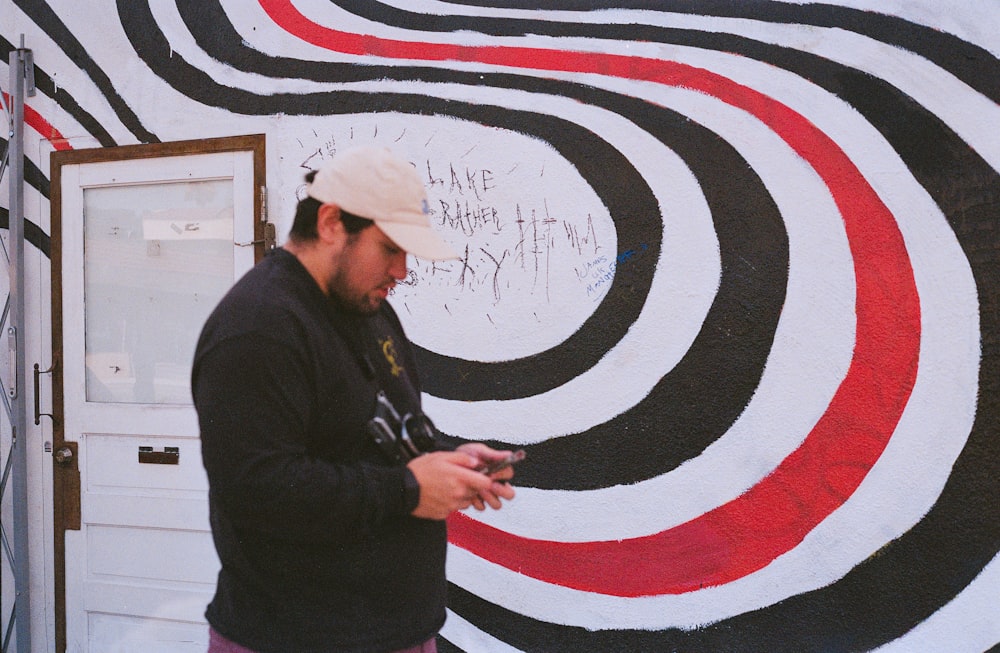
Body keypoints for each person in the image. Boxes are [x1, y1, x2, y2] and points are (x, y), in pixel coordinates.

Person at [192, 145, 517, 653]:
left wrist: (447, 463)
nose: (402, 270)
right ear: (330, 223)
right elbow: (257, 490)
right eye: (390, 248)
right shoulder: (258, 327)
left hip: (396, 632)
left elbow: (382, 432)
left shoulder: (366, 308)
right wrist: (407, 490)